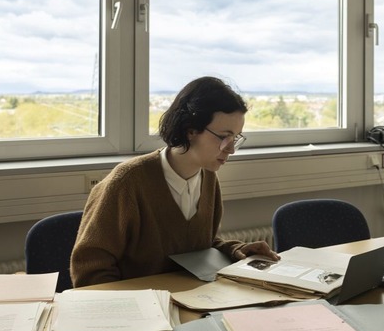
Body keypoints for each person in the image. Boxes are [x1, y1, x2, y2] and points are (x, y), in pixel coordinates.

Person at [70, 76, 280, 287]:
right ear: (190, 130)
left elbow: (197, 247)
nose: (231, 149)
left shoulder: (208, 179)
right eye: (224, 137)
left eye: (235, 138)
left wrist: (235, 250)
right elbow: (89, 269)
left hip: (189, 301)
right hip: (140, 310)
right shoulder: (127, 182)